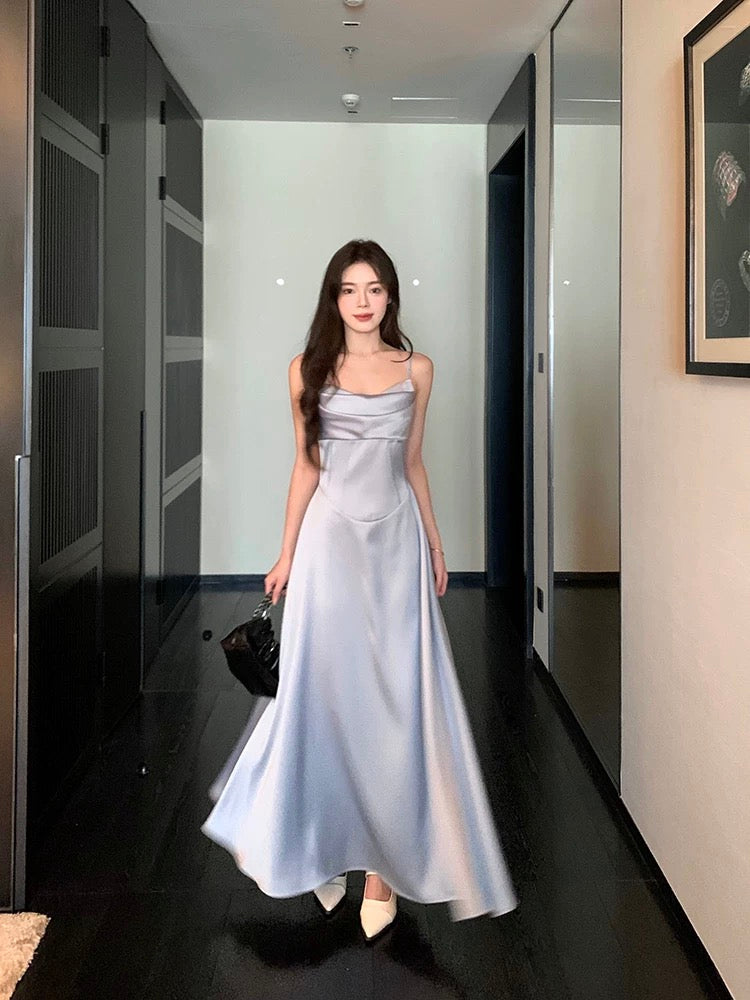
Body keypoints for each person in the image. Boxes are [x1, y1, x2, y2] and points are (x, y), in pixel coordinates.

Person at [201, 238, 518, 942]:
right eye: (349, 289)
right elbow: (306, 466)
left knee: (397, 703)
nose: (363, 301)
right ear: (334, 298)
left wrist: (436, 542)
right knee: (324, 696)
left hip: (396, 544)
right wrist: (286, 554)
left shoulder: (417, 369)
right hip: (328, 548)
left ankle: (382, 869)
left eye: (374, 288)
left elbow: (413, 461)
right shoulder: (306, 370)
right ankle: (318, 844)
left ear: (390, 295)